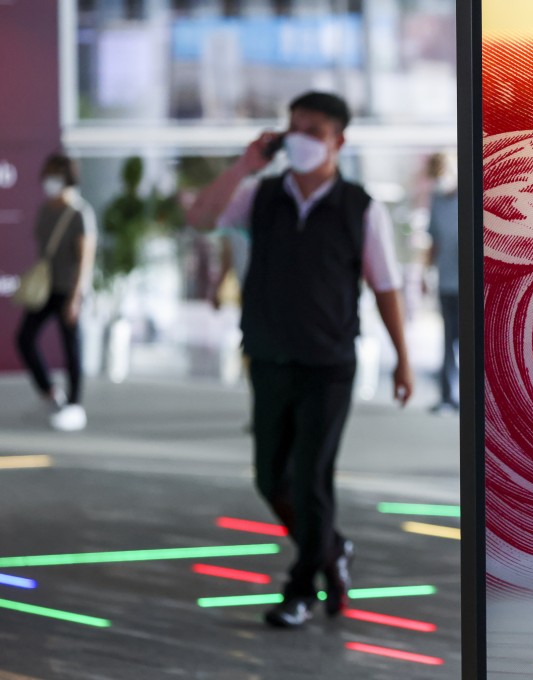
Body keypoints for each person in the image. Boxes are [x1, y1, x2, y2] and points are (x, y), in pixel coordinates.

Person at [185, 91, 414, 629]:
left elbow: (385, 286)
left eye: (314, 130)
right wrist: (245, 164)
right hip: (268, 357)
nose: (301, 140)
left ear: (339, 140)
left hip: (329, 364)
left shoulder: (361, 207)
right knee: (271, 479)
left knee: (311, 478)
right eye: (294, 128)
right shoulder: (260, 195)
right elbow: (201, 218)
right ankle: (331, 548)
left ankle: (302, 587)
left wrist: (403, 359)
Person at [16, 153, 97, 432]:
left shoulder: (79, 213)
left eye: (55, 176)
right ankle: (50, 392)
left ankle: (75, 405)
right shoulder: (45, 210)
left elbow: (85, 260)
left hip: (68, 289)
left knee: (71, 346)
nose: (49, 181)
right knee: (25, 337)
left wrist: (76, 297)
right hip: (46, 288)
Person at [425, 152, 459, 413]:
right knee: (447, 340)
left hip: (468, 285)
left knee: (467, 341)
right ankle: (448, 396)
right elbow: (434, 241)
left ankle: (469, 395)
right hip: (446, 283)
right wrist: (426, 273)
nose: (440, 181)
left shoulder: (468, 198)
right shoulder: (436, 200)